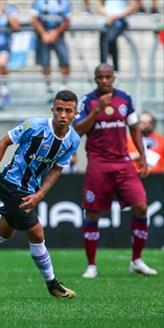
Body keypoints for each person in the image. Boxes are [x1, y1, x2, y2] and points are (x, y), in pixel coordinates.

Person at [0, 90, 80, 299]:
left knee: (4, 232)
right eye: (59, 110)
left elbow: (57, 168)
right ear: (52, 109)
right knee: (37, 233)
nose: (63, 115)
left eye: (68, 111)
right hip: (11, 183)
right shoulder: (34, 126)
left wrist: (40, 194)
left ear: (75, 113)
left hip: (30, 189)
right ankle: (52, 283)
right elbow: (3, 142)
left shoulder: (73, 140)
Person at [74, 63, 157, 278]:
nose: (104, 81)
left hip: (123, 163)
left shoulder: (125, 99)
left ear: (114, 78)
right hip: (98, 163)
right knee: (92, 212)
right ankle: (91, 265)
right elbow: (78, 129)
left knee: (141, 206)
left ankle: (136, 260)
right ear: (95, 79)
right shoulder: (88, 101)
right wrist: (96, 110)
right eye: (100, 77)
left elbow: (135, 128)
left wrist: (143, 157)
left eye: (107, 77)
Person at [31, 0, 72, 103]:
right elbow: (34, 19)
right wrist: (43, 33)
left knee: (64, 61)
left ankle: (63, 89)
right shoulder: (38, 2)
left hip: (59, 35)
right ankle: (49, 90)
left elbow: (67, 20)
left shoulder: (65, 2)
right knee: (45, 64)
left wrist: (56, 32)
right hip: (42, 36)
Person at [98, 0, 138, 73]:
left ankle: (115, 70)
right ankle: (103, 68)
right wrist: (108, 15)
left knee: (111, 39)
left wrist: (116, 16)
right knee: (104, 41)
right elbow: (100, 6)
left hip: (121, 20)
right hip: (106, 21)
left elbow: (133, 5)